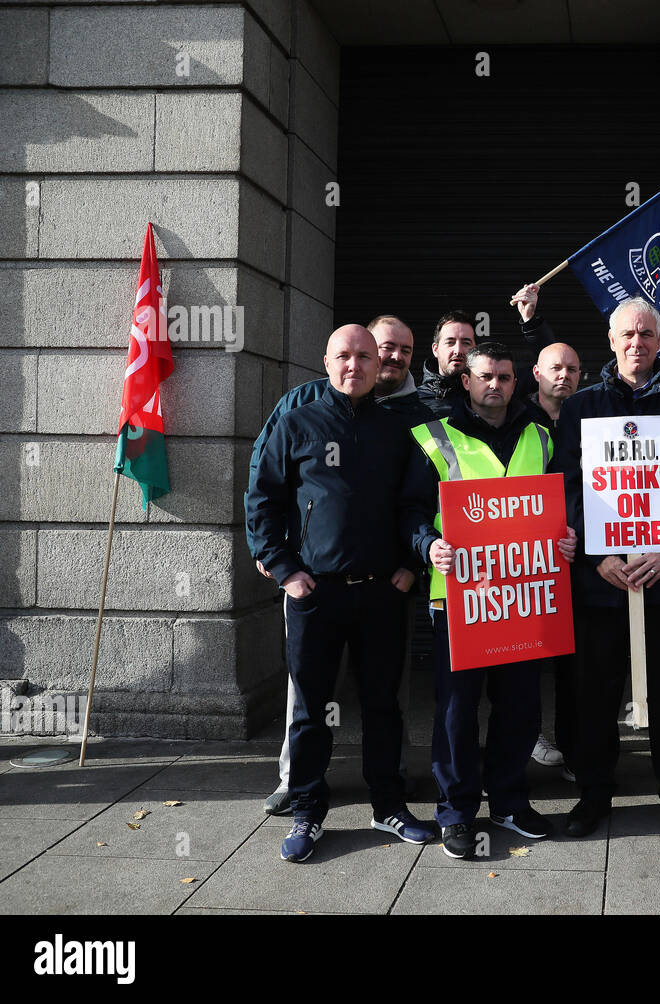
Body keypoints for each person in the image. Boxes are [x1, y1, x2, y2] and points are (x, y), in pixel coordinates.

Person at [248, 325, 435, 863]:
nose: (354, 366)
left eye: (365, 357)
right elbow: (263, 499)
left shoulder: (402, 428)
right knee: (310, 709)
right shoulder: (296, 421)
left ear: (381, 366)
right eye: (344, 357)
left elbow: (416, 505)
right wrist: (285, 570)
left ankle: (389, 805)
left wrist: (408, 566)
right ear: (326, 362)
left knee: (383, 706)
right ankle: (307, 810)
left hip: (381, 594)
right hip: (315, 595)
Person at [554, 297, 660, 840]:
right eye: (627, 334)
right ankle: (593, 796)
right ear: (610, 340)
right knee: (595, 694)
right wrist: (599, 555)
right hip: (601, 583)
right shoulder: (581, 408)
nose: (637, 343)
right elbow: (568, 485)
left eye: (647, 334)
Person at [411, 341, 578, 859]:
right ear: (466, 380)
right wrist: (427, 543)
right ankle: (456, 812)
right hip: (460, 598)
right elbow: (408, 510)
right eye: (485, 376)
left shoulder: (542, 436)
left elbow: (562, 501)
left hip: (525, 596)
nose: (495, 386)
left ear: (515, 381)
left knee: (520, 707)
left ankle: (508, 801)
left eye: (504, 378)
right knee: (457, 712)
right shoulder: (432, 437)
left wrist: (567, 535)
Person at [522, 341, 583, 775]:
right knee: (524, 655)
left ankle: (571, 746)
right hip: (524, 558)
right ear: (536, 373)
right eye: (555, 368)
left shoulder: (588, 414)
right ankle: (527, 738)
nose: (564, 375)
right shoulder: (519, 417)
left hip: (575, 555)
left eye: (573, 368)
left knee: (571, 660)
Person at [416, 284, 555, 417]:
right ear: (435, 349)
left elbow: (552, 365)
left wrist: (529, 318)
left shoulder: (498, 386)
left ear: (475, 349)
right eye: (450, 342)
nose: (458, 350)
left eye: (466, 342)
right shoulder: (415, 401)